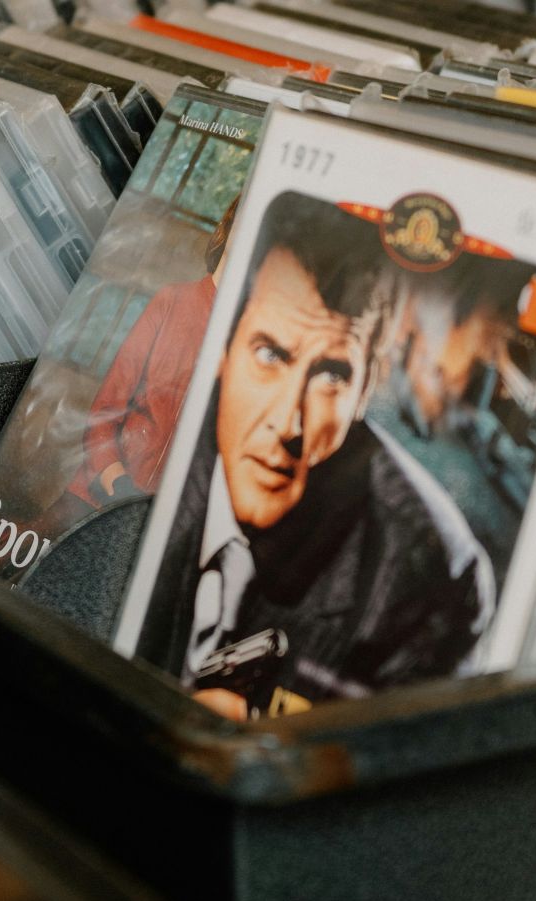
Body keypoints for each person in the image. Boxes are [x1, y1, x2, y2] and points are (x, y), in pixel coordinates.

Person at [135, 194, 496, 721]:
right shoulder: (166, 436)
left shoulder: (432, 580)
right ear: (222, 346)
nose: (289, 424)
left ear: (367, 387)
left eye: (331, 376)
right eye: (270, 355)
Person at [68, 198, 239, 510]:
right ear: (228, 225)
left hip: (156, 519)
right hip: (95, 496)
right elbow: (105, 408)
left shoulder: (251, 344)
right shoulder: (172, 300)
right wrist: (118, 484)